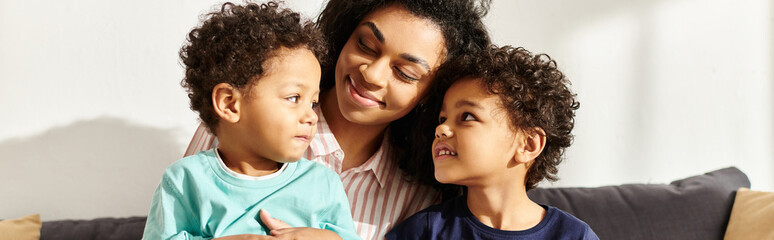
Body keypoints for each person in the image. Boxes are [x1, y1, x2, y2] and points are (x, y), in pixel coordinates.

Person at [183, 0, 492, 239]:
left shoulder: (421, 193)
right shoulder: (244, 120)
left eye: (405, 73)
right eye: (366, 45)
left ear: (431, 93)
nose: (371, 74)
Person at [142, 2, 359, 239]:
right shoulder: (185, 180)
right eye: (294, 97)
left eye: (313, 103)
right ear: (229, 104)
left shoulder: (323, 184)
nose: (311, 116)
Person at [385, 46, 598, 239]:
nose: (441, 129)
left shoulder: (574, 235)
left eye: (467, 116)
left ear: (528, 145)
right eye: (442, 119)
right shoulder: (423, 231)